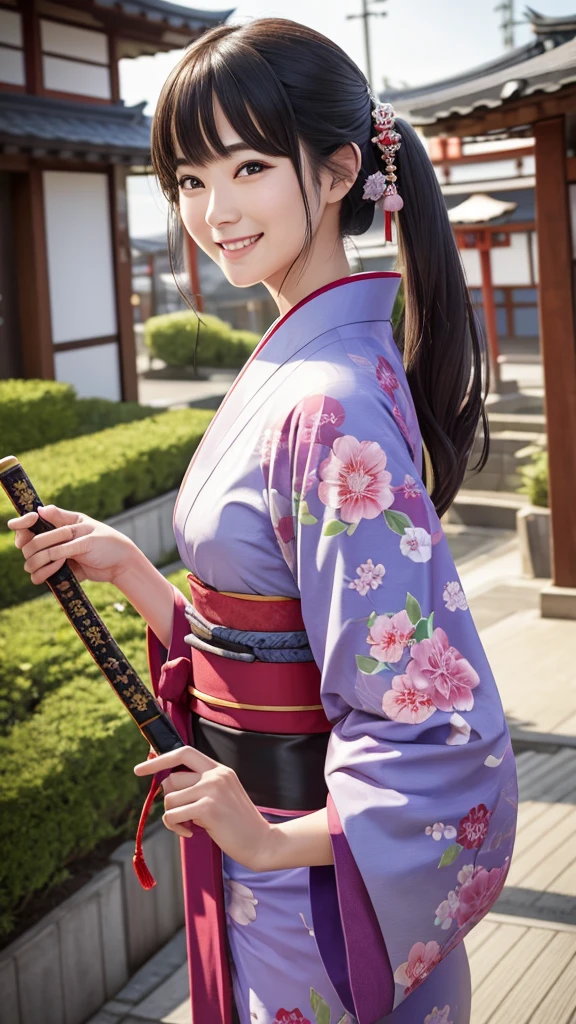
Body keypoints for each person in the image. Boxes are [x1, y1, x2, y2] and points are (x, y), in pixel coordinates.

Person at [8, 19, 517, 1024]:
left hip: (309, 886)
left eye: (246, 166)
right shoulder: (309, 361)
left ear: (335, 174)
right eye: (189, 181)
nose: (214, 210)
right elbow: (275, 636)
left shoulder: (327, 398)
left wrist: (277, 840)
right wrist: (126, 570)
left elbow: (434, 726)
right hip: (272, 861)